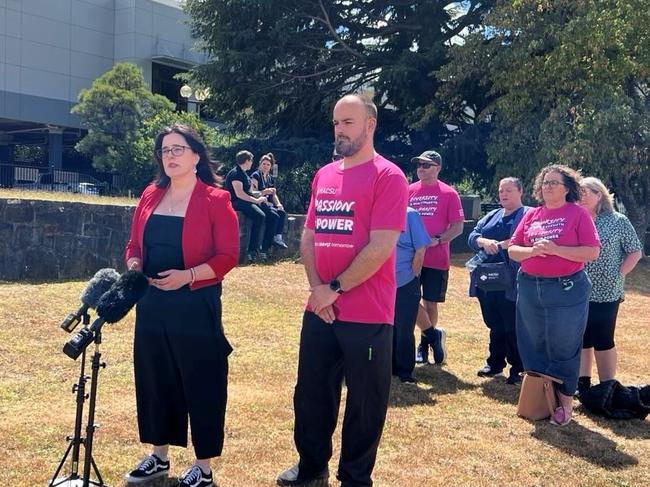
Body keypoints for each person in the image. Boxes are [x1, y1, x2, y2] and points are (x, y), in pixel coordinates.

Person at [276, 93, 408, 487]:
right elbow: (309, 235)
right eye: (336, 123)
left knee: (365, 403)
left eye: (348, 122)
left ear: (370, 124)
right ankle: (311, 465)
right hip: (320, 307)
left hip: (367, 312)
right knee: (312, 393)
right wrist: (318, 290)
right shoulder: (325, 175)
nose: (339, 131)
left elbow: (381, 245)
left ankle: (354, 476)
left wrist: (334, 288)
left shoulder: (389, 177)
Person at [124, 124, 239, 487]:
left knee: (200, 380)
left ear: (196, 155)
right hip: (152, 303)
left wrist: (188, 275)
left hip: (195, 302)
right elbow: (133, 245)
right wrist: (134, 265)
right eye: (164, 150)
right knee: (155, 377)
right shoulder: (149, 195)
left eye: (178, 149)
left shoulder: (216, 199)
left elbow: (228, 256)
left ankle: (203, 467)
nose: (170, 156)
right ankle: (159, 456)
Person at [509, 165, 600, 426]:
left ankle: (565, 403)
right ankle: (539, 400)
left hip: (566, 288)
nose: (548, 186)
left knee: (564, 345)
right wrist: (532, 252)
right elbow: (514, 249)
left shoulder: (578, 214)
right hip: (529, 286)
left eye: (554, 183)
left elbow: (591, 252)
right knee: (532, 342)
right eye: (545, 182)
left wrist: (557, 249)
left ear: (568, 188)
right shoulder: (533, 214)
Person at [578, 177, 642, 393]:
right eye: (579, 192)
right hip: (577, 289)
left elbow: (635, 250)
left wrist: (620, 273)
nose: (582, 196)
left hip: (607, 291)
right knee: (581, 337)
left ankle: (607, 385)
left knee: (603, 337)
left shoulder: (617, 220)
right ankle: (582, 383)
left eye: (587, 192)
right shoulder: (576, 219)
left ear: (600, 195)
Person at [468, 177, 528, 385]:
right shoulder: (492, 215)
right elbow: (473, 235)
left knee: (512, 324)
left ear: (521, 191)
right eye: (501, 190)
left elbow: (527, 238)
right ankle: (495, 364)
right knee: (494, 323)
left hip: (512, 280)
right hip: (487, 279)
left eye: (509, 190)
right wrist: (482, 241)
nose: (503, 194)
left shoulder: (528, 214)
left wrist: (500, 245)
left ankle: (518, 368)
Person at [408, 150, 465, 365]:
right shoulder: (409, 191)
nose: (421, 169)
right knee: (410, 299)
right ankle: (433, 335)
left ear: (438, 168)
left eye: (426, 165)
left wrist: (439, 239)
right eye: (419, 165)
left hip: (436, 258)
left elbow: (458, 227)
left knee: (430, 303)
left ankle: (424, 345)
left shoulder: (449, 193)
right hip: (410, 258)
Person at [393, 207, 431, 384]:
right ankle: (389, 366)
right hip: (382, 281)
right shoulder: (378, 209)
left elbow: (421, 249)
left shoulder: (410, 214)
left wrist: (413, 274)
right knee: (387, 326)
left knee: (404, 327)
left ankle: (405, 371)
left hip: (405, 280)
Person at [225, 150, 278, 262]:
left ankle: (260, 249)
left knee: (269, 214)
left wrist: (263, 193)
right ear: (247, 160)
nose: (252, 163)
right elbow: (239, 194)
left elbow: (250, 192)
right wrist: (256, 200)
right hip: (236, 202)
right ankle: (252, 251)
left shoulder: (244, 174)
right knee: (259, 216)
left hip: (245, 201)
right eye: (251, 160)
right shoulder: (236, 174)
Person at [251, 152, 289, 249]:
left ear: (271, 166)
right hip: (259, 202)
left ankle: (278, 237)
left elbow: (273, 194)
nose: (266, 166)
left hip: (268, 204)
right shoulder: (256, 175)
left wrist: (279, 204)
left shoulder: (270, 178)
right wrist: (263, 192)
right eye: (264, 164)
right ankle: (264, 248)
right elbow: (253, 192)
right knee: (274, 216)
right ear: (260, 164)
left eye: (268, 164)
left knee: (282, 212)